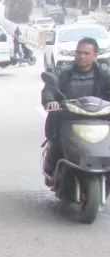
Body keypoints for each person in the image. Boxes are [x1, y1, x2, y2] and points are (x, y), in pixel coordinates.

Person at [42, 37, 110, 174]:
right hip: (68, 117)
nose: (81, 56)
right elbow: (50, 88)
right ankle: (54, 171)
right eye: (79, 52)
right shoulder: (63, 72)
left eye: (86, 53)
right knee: (57, 147)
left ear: (95, 55)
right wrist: (50, 100)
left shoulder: (104, 75)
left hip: (99, 119)